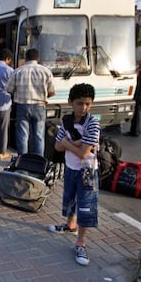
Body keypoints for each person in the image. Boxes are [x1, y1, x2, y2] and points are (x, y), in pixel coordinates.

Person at [48, 83, 101, 266]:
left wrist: (69, 144)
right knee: (70, 199)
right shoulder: (66, 121)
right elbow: (56, 146)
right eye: (80, 103)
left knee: (86, 207)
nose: (84, 108)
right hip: (71, 167)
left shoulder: (93, 123)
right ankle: (70, 225)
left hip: (87, 171)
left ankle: (81, 243)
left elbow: (84, 154)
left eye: (88, 103)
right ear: (71, 102)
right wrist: (77, 143)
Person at [6, 48, 55, 156]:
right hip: (39, 106)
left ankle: (22, 160)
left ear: (26, 58)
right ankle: (38, 161)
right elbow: (51, 92)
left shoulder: (18, 71)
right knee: (39, 135)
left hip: (22, 106)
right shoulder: (46, 71)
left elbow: (9, 89)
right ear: (38, 58)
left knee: (22, 135)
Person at [126, 57, 141, 137]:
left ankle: (136, 131)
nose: (140, 63)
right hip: (139, 94)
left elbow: (138, 77)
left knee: (137, 113)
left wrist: (137, 70)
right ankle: (133, 130)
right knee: (135, 113)